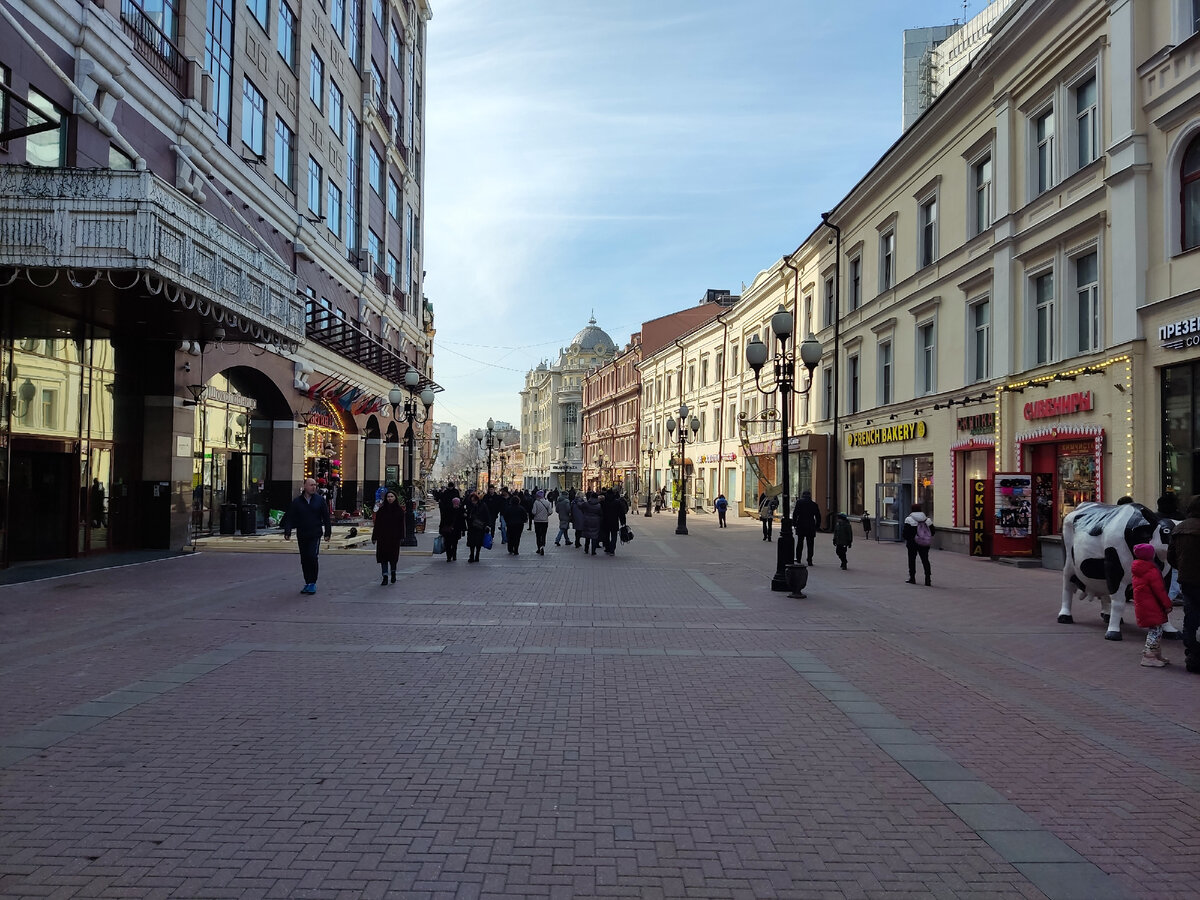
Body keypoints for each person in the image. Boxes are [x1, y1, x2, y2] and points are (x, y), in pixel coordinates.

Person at [281, 477, 332, 595]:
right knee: (304, 559)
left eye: (315, 485)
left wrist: (327, 533)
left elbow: (326, 518)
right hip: (302, 534)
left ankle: (313, 582)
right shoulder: (297, 502)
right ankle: (307, 582)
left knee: (312, 557)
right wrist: (287, 531)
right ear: (305, 486)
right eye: (311, 485)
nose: (314, 487)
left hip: (315, 534)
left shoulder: (319, 501)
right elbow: (290, 517)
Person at [1167, 496, 1200, 674]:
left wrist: (1182, 569)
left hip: (1187, 580)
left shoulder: (1179, 528)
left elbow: (1171, 556)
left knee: (1191, 617)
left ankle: (1193, 653)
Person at [1131, 542, 1173, 667]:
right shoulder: (1151, 570)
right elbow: (1159, 590)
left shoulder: (1138, 568)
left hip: (1145, 605)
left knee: (1156, 629)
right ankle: (1148, 656)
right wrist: (1167, 604)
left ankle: (1156, 653)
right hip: (1152, 605)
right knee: (1155, 630)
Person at [371, 489, 404, 584]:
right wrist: (374, 537)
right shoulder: (381, 510)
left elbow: (402, 525)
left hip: (394, 538)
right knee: (383, 558)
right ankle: (385, 576)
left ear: (395, 498)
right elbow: (377, 525)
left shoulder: (399, 510)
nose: (389, 498)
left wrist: (401, 537)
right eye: (388, 497)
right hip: (383, 537)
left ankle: (393, 573)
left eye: (391, 497)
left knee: (393, 557)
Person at [902, 503, 935, 586]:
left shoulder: (909, 519)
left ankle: (912, 578)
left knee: (912, 560)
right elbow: (933, 532)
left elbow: (905, 532)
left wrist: (908, 539)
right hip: (924, 543)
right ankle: (928, 579)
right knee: (925, 560)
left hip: (912, 543)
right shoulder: (927, 520)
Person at [792, 490, 822, 565]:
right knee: (810, 544)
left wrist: (794, 523)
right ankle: (809, 560)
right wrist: (817, 526)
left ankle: (798, 558)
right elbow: (818, 516)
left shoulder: (799, 503)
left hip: (801, 525)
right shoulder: (814, 504)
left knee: (800, 543)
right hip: (810, 526)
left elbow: (795, 514)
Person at [465, 492, 491, 563]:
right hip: (472, 527)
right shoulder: (470, 506)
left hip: (480, 526)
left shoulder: (483, 505)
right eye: (472, 500)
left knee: (478, 542)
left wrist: (487, 525)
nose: (473, 502)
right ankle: (472, 555)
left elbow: (487, 515)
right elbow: (467, 516)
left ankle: (477, 555)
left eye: (474, 500)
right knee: (471, 542)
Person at [439, 496, 465, 562]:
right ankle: (449, 556)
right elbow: (443, 519)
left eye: (457, 503)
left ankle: (453, 555)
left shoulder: (461, 510)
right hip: (448, 529)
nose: (456, 504)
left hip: (456, 530)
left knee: (454, 544)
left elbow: (462, 521)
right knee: (448, 543)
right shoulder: (448, 509)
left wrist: (463, 530)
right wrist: (441, 528)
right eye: (455, 503)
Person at [581, 491, 603, 555]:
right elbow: (601, 514)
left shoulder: (587, 504)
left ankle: (586, 549)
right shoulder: (599, 505)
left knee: (587, 535)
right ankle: (593, 551)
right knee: (594, 536)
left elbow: (581, 507)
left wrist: (585, 514)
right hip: (596, 521)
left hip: (587, 520)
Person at [531, 489, 553, 554]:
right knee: (543, 534)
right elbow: (550, 511)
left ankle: (538, 547)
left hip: (537, 521)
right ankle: (542, 546)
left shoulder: (536, 502)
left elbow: (533, 512)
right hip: (545, 521)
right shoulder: (548, 502)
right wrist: (546, 515)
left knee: (538, 535)